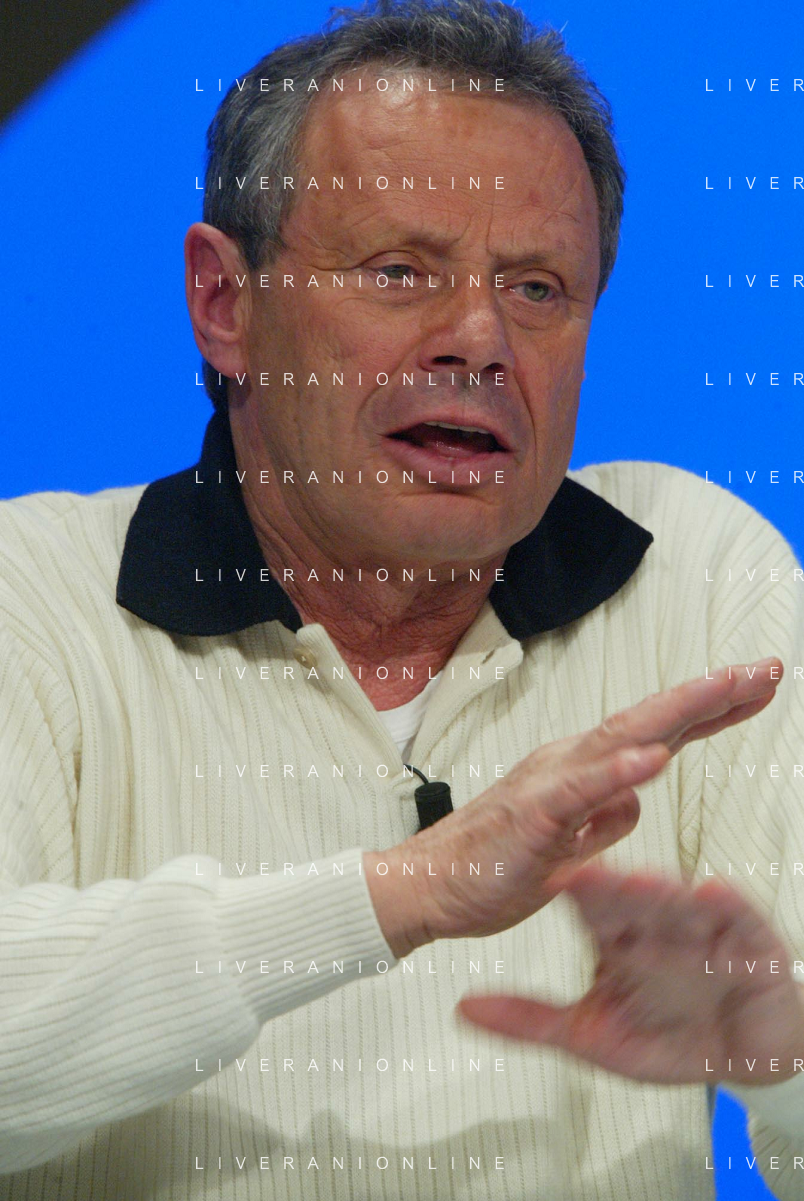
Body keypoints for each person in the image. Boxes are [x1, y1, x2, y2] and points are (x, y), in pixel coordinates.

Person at [1, 1, 802, 1198]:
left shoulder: (694, 576)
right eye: (399, 271)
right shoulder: (34, 596)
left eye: (537, 288)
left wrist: (785, 1060)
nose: (479, 338)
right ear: (225, 305)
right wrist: (402, 894)